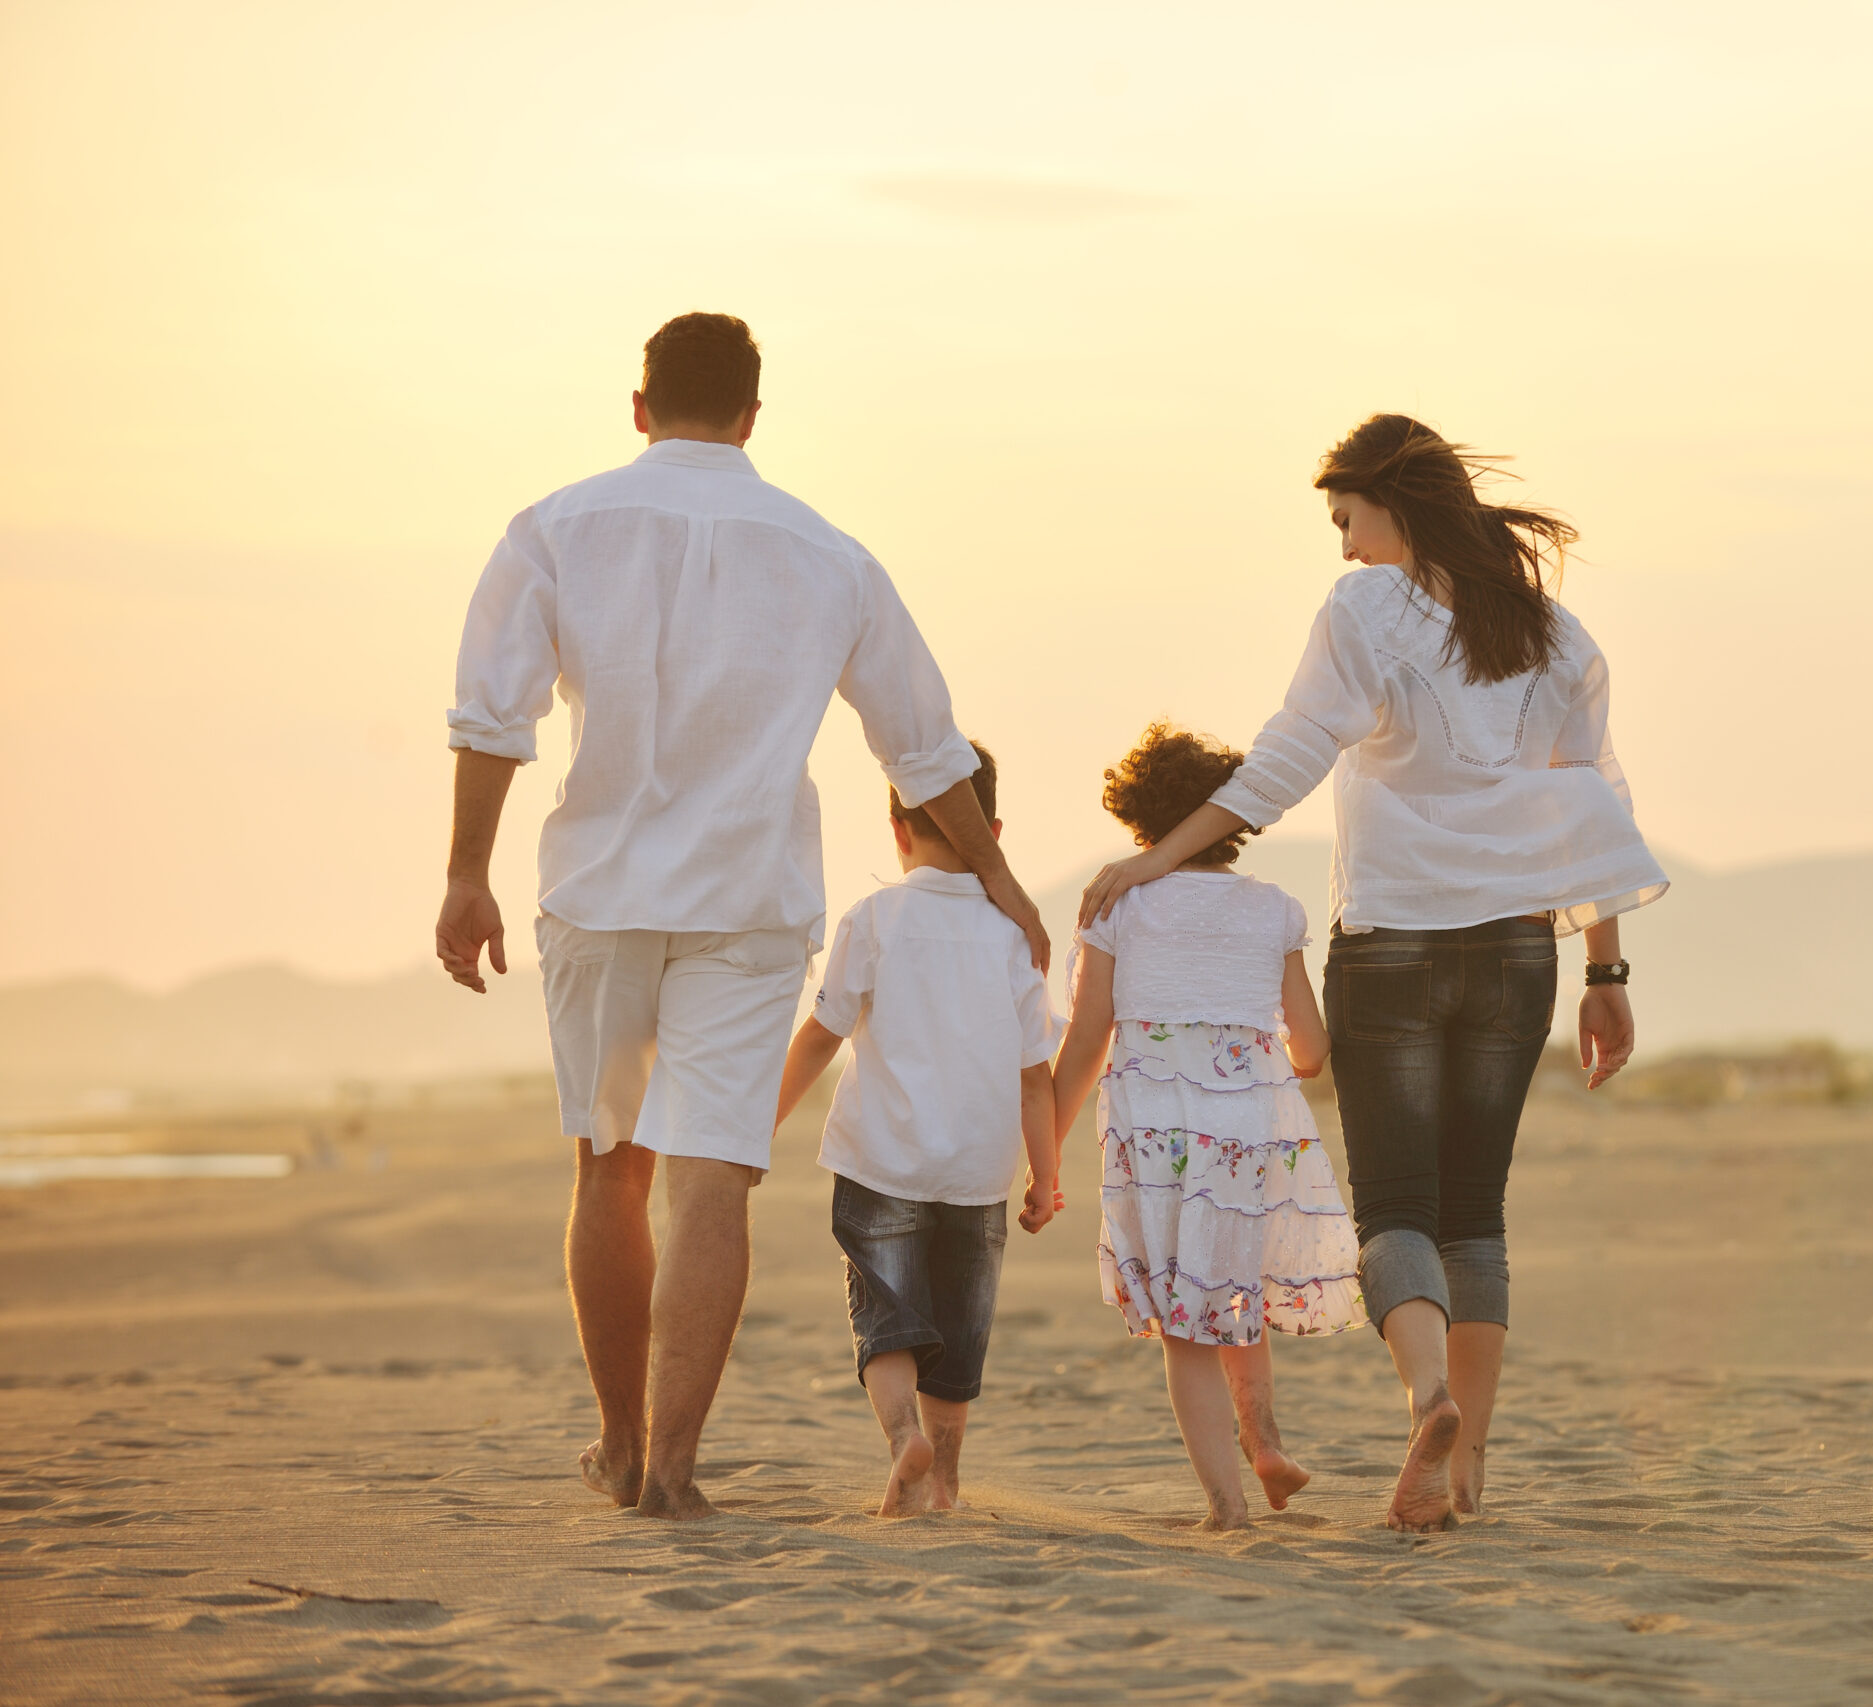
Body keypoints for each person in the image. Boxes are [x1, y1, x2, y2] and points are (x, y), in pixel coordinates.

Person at [436, 313, 1047, 1523]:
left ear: (639, 405)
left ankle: (620, 1446)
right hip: (752, 904)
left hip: (600, 897)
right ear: (754, 418)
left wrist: (466, 873)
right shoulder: (828, 553)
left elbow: (491, 717)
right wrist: (999, 877)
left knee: (612, 1167)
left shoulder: (556, 526)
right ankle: (672, 1468)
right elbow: (922, 750)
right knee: (711, 1181)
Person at [1079, 416, 1666, 1532]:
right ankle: (1467, 1469)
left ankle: (1430, 1396)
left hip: (1392, 938)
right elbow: (1594, 802)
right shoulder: (1556, 634)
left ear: (1392, 503)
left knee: (1394, 1205)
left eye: (1346, 519)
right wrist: (1607, 970)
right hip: (1514, 949)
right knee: (1475, 1213)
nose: (1345, 548)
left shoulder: (1363, 611)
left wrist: (1158, 855)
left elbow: (1291, 753)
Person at [1052, 722, 1361, 1530]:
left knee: (1184, 1325)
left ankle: (1227, 1507)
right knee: (1234, 1287)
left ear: (1140, 817)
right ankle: (1263, 1445)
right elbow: (1313, 1046)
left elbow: (1086, 1039)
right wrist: (1256, 1062)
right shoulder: (1273, 911)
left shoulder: (1119, 903)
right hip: (1248, 1131)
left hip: (1156, 1137)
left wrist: (1043, 1152)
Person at [771, 742, 1061, 1516]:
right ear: (992, 831)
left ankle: (905, 1442)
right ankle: (949, 1483)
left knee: (884, 1319)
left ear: (896, 830)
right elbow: (1037, 1075)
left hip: (882, 1164)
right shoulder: (1015, 938)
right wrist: (1048, 1174)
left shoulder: (872, 917)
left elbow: (821, 1035)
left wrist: (760, 1118)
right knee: (959, 1337)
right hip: (978, 1174)